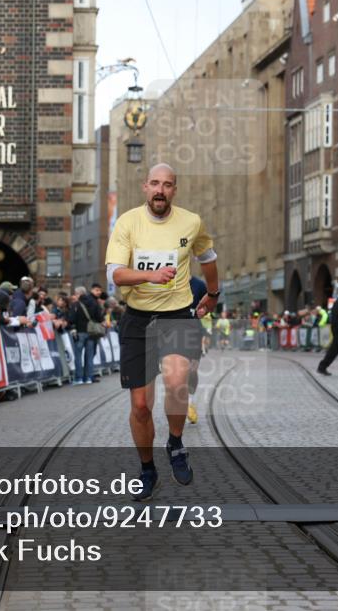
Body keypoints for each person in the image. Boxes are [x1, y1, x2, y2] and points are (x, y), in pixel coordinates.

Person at [105, 163, 219, 501]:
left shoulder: (191, 222)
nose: (160, 190)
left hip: (177, 315)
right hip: (138, 318)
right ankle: (147, 469)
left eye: (167, 185)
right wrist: (149, 277)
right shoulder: (127, 222)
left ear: (174, 190)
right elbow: (116, 274)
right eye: (155, 183)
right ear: (145, 187)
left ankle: (175, 443)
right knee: (140, 405)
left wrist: (213, 295)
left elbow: (209, 257)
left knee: (177, 381)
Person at [185, 276, 208, 425]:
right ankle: (180, 404)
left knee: (192, 370)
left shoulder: (199, 285)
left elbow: (210, 304)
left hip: (193, 333)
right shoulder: (166, 279)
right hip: (171, 334)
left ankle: (190, 401)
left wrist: (204, 310)